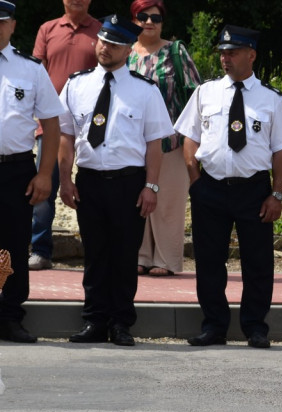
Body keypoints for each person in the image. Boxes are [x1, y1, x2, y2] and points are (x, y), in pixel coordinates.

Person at [175, 25, 282, 349]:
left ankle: (255, 326)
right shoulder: (206, 92)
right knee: (209, 260)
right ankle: (213, 325)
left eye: (232, 52)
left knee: (258, 261)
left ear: (251, 55)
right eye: (222, 52)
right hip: (211, 186)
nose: (224, 58)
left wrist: (277, 194)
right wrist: (194, 179)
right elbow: (190, 137)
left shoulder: (271, 99)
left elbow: (281, 149)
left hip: (253, 189)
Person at [58, 14, 174, 347]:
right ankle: (94, 320)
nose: (104, 48)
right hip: (90, 181)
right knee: (94, 254)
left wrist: (151, 186)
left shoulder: (144, 90)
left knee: (124, 256)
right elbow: (66, 135)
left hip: (129, 183)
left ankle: (121, 322)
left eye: (113, 44)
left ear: (128, 50)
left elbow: (156, 143)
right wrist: (65, 179)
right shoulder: (77, 84)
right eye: (102, 41)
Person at [0, 0, 64, 344]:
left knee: (11, 245)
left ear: (12, 25)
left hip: (15, 169)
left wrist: (44, 174)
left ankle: (10, 314)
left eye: (2, 22)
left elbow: (51, 126)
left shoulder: (31, 69)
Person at [128, 0, 200, 278]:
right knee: (138, 199)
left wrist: (193, 137)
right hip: (133, 142)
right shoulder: (126, 52)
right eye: (143, 17)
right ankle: (140, 254)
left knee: (168, 201)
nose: (149, 22)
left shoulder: (175, 51)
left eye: (155, 18)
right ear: (133, 20)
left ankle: (166, 259)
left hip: (172, 140)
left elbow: (195, 94)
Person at [30, 0, 100, 271]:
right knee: (42, 189)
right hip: (49, 125)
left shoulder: (101, 31)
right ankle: (41, 250)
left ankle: (95, 250)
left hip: (90, 126)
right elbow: (36, 74)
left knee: (90, 188)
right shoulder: (48, 29)